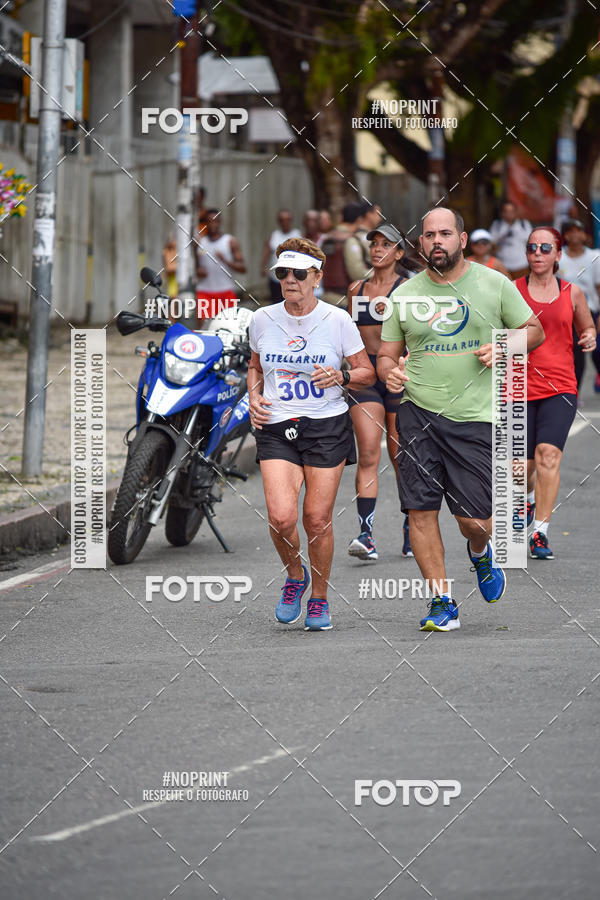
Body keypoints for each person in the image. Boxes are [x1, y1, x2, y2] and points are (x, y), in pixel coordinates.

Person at [378, 207, 544, 633]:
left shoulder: (493, 283)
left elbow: (534, 330)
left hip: (476, 417)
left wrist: (505, 346)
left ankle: (480, 552)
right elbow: (386, 355)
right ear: (420, 243)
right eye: (429, 234)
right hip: (416, 413)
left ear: (462, 240)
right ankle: (442, 601)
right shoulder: (404, 295)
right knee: (420, 511)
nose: (437, 240)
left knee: (475, 522)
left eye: (445, 233)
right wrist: (390, 372)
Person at [247, 237, 375, 631]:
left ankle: (319, 599)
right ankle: (294, 575)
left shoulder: (337, 320)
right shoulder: (262, 318)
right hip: (277, 424)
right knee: (281, 518)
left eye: (299, 274)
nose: (290, 280)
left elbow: (367, 372)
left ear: (316, 277)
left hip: (326, 426)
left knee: (316, 519)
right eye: (283, 273)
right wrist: (253, 396)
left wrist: (342, 376)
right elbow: (255, 367)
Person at [514, 227, 596, 560]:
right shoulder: (512, 290)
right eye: (532, 247)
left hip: (560, 386)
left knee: (547, 454)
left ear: (558, 254)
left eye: (545, 248)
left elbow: (587, 326)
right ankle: (528, 500)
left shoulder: (572, 292)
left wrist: (589, 336)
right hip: (517, 386)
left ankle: (540, 531)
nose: (537, 253)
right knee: (520, 469)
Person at [346, 223, 412, 560]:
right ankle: (366, 535)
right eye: (374, 243)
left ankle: (412, 527)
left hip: (399, 375)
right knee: (369, 453)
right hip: (366, 377)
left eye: (386, 244)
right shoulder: (356, 289)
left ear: (399, 253)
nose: (377, 249)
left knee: (401, 458)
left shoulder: (409, 288)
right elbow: (348, 336)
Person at [557, 218, 600, 392]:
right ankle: (575, 393)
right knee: (576, 352)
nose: (574, 234)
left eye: (578, 230)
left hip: (591, 310)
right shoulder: (558, 257)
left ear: (584, 234)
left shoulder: (594, 257)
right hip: (566, 312)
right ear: (565, 235)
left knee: (597, 350)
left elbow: (599, 287)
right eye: (570, 231)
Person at [196, 209, 246, 321]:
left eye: (215, 221)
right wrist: (198, 271)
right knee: (205, 326)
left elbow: (243, 269)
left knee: (229, 325)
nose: (213, 225)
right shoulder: (200, 242)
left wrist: (225, 260)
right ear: (206, 223)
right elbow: (194, 267)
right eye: (209, 221)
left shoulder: (230, 241)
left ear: (220, 222)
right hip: (204, 292)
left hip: (226, 291)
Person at [320, 202, 367, 305]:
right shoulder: (350, 240)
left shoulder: (328, 237)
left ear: (342, 217)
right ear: (359, 220)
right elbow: (357, 273)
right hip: (343, 300)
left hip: (326, 297)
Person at [261, 210, 301, 303]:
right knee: (276, 303)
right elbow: (267, 252)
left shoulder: (297, 235)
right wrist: (263, 267)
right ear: (279, 221)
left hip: (293, 278)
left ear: (291, 221)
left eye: (287, 220)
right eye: (282, 220)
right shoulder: (274, 235)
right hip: (276, 278)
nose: (285, 222)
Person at [489, 200, 532, 279]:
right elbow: (491, 244)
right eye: (506, 211)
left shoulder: (524, 224)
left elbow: (530, 242)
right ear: (502, 213)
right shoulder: (497, 225)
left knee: (522, 286)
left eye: (511, 211)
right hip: (503, 266)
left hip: (522, 265)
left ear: (516, 212)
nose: (509, 214)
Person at [161, 233, 178, 299]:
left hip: (175, 274)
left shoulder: (175, 250)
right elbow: (165, 263)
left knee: (174, 294)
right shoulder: (165, 251)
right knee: (171, 294)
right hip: (170, 274)